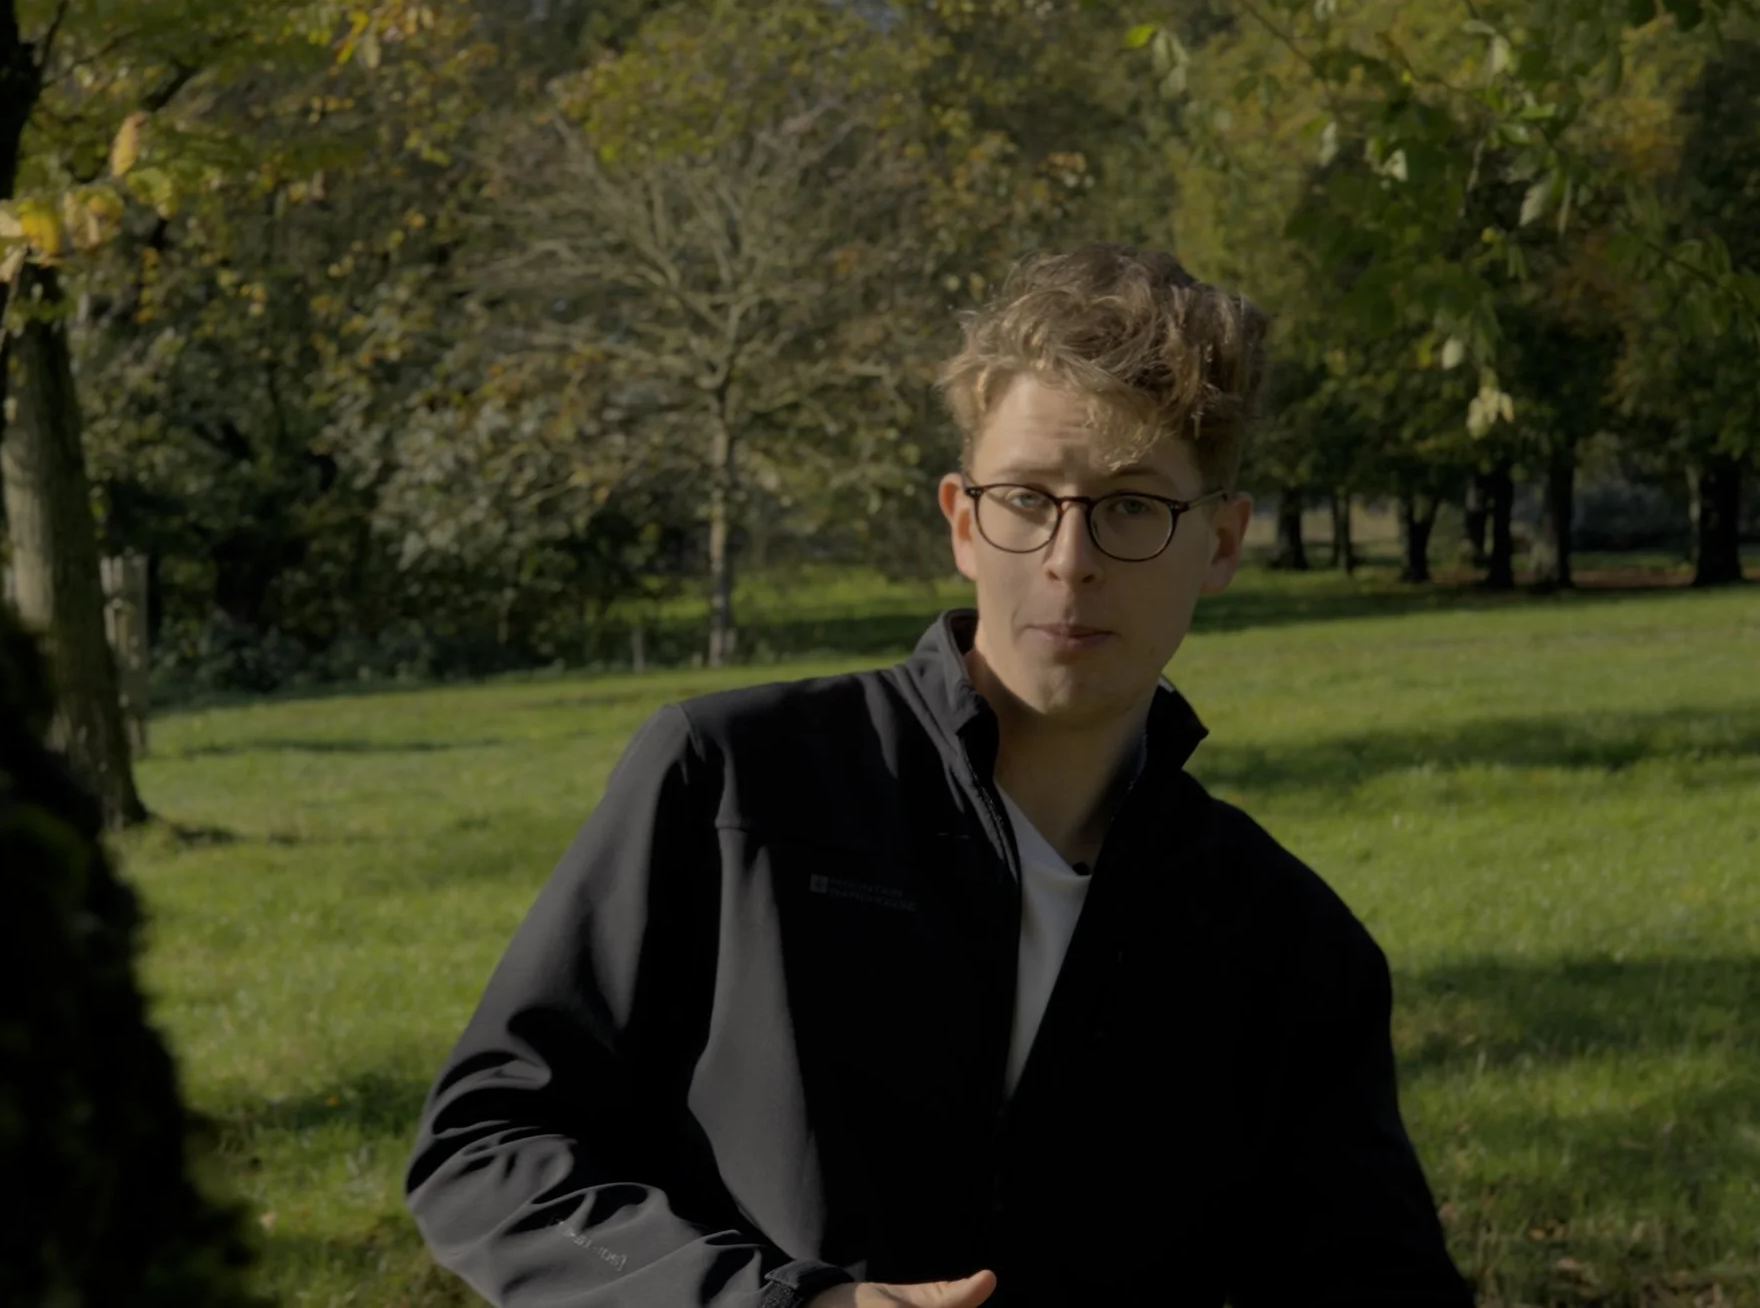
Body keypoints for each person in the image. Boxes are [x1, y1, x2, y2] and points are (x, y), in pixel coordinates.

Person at [400, 245, 1472, 1308]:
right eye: (1027, 499)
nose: (1069, 560)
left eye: (1132, 506)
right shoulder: (736, 786)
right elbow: (488, 1145)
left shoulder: (1284, 942)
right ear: (964, 521)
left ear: (1224, 542)